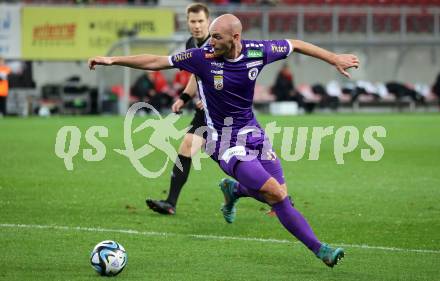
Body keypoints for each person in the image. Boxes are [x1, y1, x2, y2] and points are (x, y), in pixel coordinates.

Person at [88, 13, 359, 267]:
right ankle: (320, 250)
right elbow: (157, 61)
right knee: (276, 195)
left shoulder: (257, 51)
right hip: (223, 141)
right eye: (210, 36)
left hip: (253, 133)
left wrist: (333, 57)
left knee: (281, 193)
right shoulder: (201, 57)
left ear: (235, 38)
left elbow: (296, 44)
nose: (210, 41)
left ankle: (235, 190)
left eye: (217, 37)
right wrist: (113, 60)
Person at [144, 3, 211, 215]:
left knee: (238, 159)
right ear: (187, 22)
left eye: (201, 21)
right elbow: (197, 74)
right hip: (206, 111)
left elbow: (232, 75)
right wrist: (184, 97)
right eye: (193, 21)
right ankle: (170, 202)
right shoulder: (192, 43)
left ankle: (279, 196)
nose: (197, 26)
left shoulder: (219, 42)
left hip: (225, 110)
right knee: (186, 147)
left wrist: (211, 99)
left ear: (208, 21)